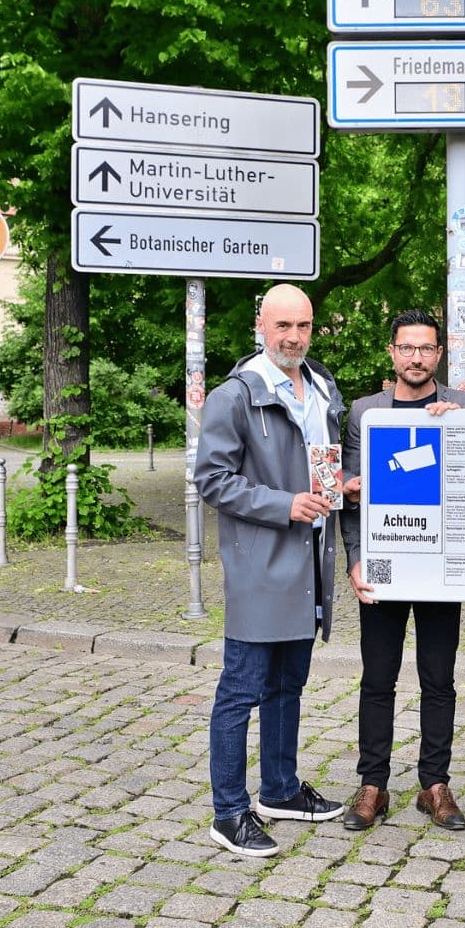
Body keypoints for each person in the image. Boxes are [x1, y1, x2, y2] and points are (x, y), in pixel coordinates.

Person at [195, 283, 345, 858]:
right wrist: (283, 504)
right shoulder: (234, 396)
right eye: (283, 326)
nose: (294, 337)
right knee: (241, 690)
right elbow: (212, 480)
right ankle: (228, 811)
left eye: (303, 326)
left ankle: (280, 790)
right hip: (262, 565)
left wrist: (341, 488)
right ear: (261, 325)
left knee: (289, 685)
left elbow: (324, 467)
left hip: (311, 560)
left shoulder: (322, 387)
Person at [340, 309, 465, 832]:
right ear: (393, 353)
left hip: (439, 567)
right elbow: (351, 492)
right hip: (384, 565)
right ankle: (372, 783)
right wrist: (354, 559)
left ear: (438, 354)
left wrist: (460, 431)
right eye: (407, 348)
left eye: (426, 348)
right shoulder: (365, 413)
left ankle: (434, 784)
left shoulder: (462, 406)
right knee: (378, 678)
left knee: (438, 680)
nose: (416, 357)